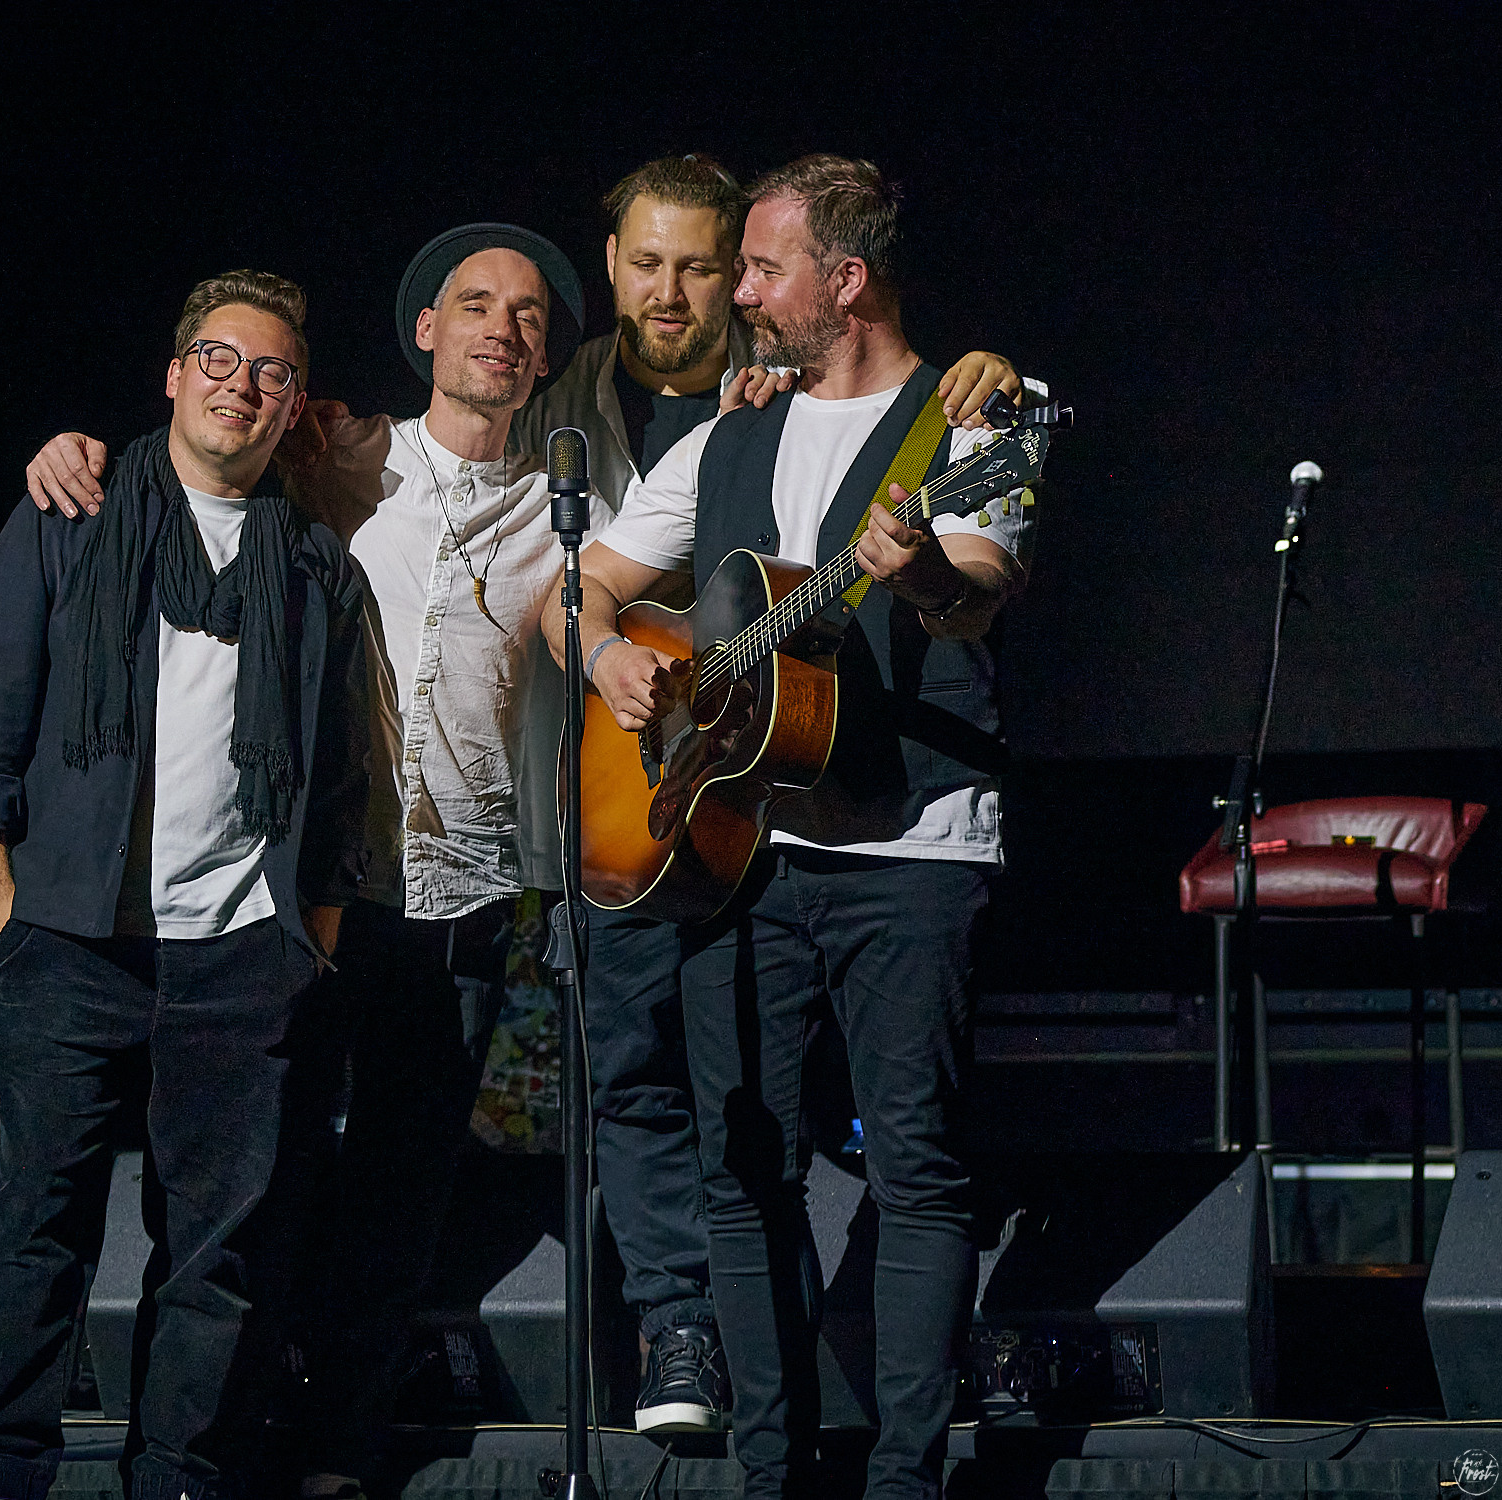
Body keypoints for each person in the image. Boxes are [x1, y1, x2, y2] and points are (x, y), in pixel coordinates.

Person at [24, 222, 603, 1494]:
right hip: (301, 889)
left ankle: (338, 1452)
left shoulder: (575, 515)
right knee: (259, 1188)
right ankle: (222, 1449)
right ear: (425, 331)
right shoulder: (337, 452)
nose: (501, 329)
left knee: (399, 1195)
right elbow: (191, 455)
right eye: (475, 304)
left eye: (525, 316)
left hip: (458, 899)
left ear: (545, 355)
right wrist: (72, 449)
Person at [544, 156, 1037, 1499]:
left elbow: (973, 593)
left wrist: (917, 566)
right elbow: (576, 592)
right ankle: (769, 1476)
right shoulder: (726, 435)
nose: (740, 295)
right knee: (740, 1167)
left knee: (915, 1165)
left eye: (761, 269)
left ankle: (901, 1479)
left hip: (912, 846)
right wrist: (608, 657)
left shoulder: (981, 415)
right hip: (741, 851)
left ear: (847, 280)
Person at [0, 269, 369, 1500]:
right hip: (67, 942)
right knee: (36, 1227)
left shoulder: (312, 568)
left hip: (237, 957)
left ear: (294, 408)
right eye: (219, 359)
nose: (242, 385)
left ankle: (178, 1475)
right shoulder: (71, 512)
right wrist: (3, 921)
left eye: (272, 372)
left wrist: (307, 939)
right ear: (174, 377)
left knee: (214, 1255)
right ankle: (3, 1471)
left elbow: (340, 778)